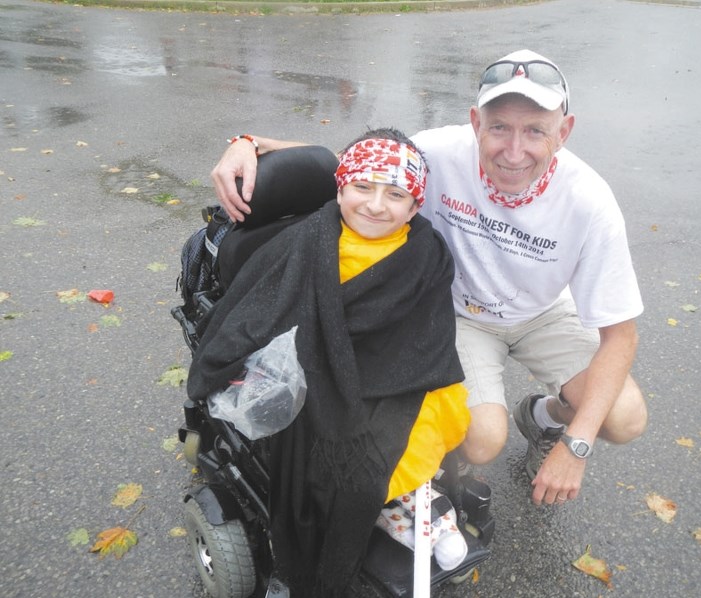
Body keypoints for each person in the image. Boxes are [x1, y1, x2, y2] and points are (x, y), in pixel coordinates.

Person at [209, 49, 648, 509]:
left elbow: (620, 336)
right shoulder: (437, 151)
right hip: (459, 314)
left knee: (624, 418)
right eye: (499, 127)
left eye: (535, 130)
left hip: (542, 312)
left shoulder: (590, 201)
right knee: (482, 441)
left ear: (564, 131)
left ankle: (546, 416)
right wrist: (246, 140)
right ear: (476, 122)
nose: (514, 151)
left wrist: (575, 445)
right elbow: (350, 162)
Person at [188, 128, 470, 598]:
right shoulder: (302, 242)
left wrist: (391, 375)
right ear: (340, 187)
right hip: (316, 371)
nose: (376, 206)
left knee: (427, 425)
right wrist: (245, 140)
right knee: (344, 465)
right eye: (362, 188)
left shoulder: (426, 253)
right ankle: (376, 521)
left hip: (404, 373)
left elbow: (429, 333)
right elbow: (257, 314)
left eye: (396, 195)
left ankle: (408, 503)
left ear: (416, 205)